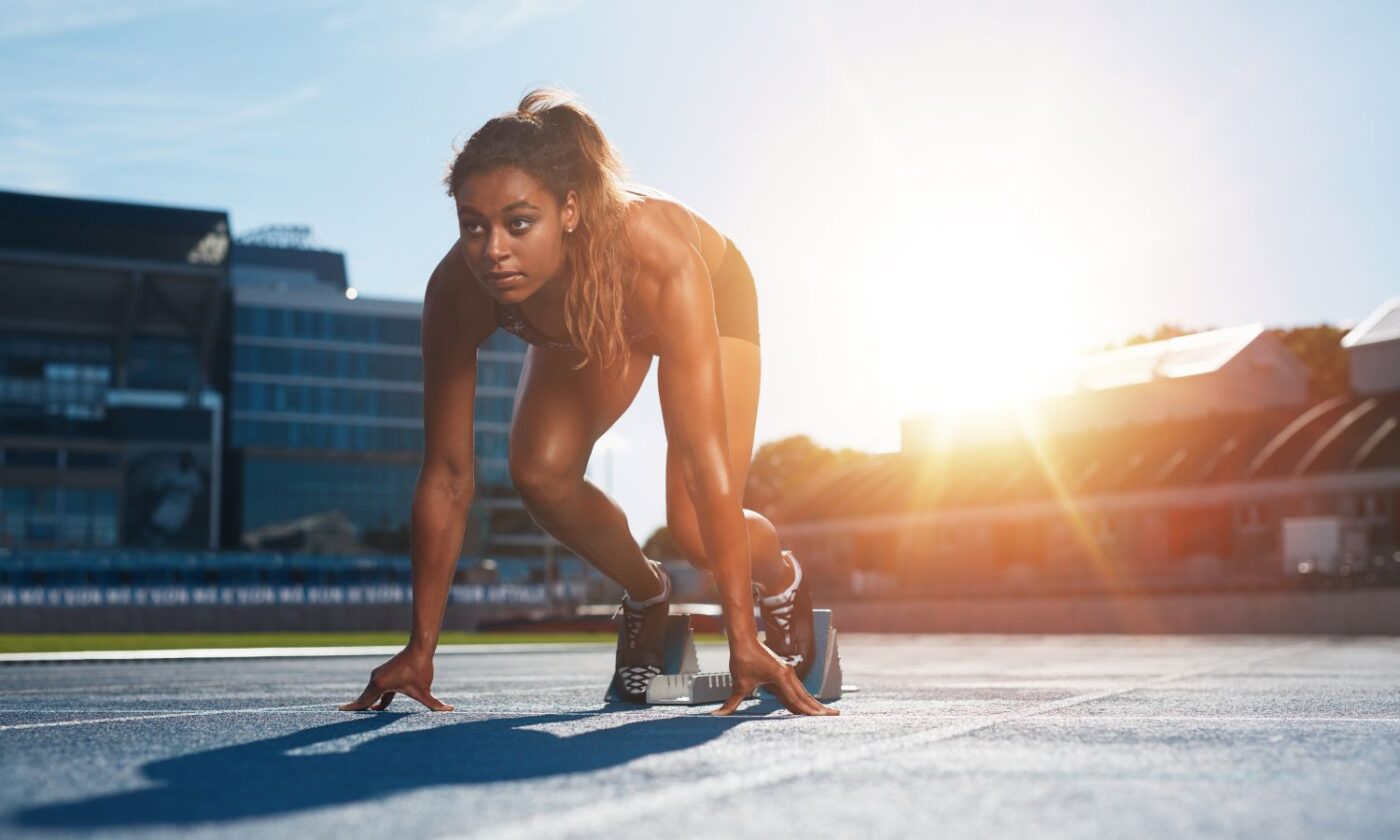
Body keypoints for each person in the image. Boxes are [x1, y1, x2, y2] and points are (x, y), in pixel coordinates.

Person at [341, 88, 837, 717]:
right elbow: (445, 474)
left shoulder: (653, 252)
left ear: (569, 210)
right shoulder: (458, 292)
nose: (493, 251)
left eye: (520, 223)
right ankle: (647, 596)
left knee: (695, 533)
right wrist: (420, 645)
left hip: (702, 292)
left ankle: (782, 580)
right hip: (593, 317)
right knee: (540, 474)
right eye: (474, 225)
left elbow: (700, 454)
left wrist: (741, 638)